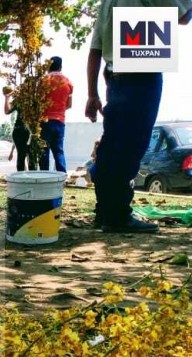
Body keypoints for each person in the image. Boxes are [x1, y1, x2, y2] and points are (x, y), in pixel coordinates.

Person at [86, 0, 192, 233]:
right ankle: (118, 215)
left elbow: (95, 50)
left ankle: (105, 211)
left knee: (111, 145)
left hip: (114, 76)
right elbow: (184, 16)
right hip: (142, 69)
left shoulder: (106, 3)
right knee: (131, 146)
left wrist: (92, 94)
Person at [39, 56, 73, 172]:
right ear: (60, 66)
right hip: (60, 121)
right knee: (59, 151)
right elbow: (69, 105)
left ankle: (44, 177)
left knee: (44, 152)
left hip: (45, 121)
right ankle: (62, 178)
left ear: (48, 66)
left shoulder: (43, 81)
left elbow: (38, 101)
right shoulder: (68, 82)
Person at [3, 86, 33, 171]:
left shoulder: (34, 100)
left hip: (30, 130)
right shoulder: (20, 101)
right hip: (21, 129)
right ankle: (22, 177)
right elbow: (7, 111)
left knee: (30, 157)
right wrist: (7, 98)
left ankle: (32, 177)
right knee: (22, 155)